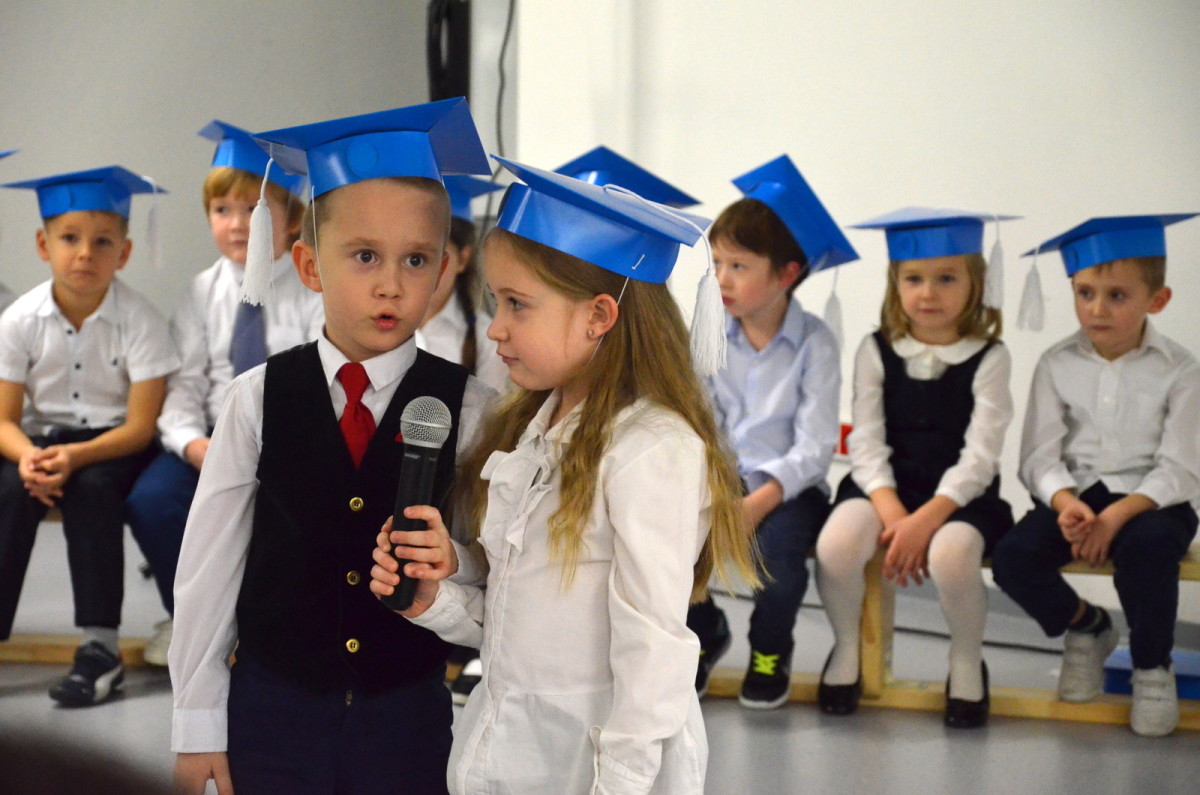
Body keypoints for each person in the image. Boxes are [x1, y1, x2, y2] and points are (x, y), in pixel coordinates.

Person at [370, 157, 760, 793]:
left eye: (517, 305)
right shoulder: (531, 426)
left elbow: (652, 655)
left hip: (593, 764)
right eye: (495, 302)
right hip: (511, 751)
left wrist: (622, 783)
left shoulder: (652, 449)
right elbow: (523, 629)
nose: (496, 328)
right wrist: (438, 595)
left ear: (599, 317)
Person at [169, 99, 494, 794]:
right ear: (310, 265)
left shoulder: (471, 408)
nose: (391, 283)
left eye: (416, 259)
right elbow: (209, 568)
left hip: (405, 719)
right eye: (365, 256)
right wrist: (197, 723)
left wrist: (452, 563)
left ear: (444, 271)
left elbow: (487, 565)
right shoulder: (256, 398)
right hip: (272, 714)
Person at [991, 214, 1200, 737]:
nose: (1097, 309)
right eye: (1085, 293)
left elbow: (1181, 466)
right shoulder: (1056, 363)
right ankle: (1087, 627)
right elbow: (1038, 455)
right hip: (1078, 496)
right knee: (1013, 557)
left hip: (1152, 503)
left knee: (1146, 550)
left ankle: (1151, 668)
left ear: (1158, 300)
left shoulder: (1181, 369)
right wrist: (1066, 503)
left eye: (1116, 296)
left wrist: (1117, 516)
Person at [124, 120, 320, 666]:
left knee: (293, 509)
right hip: (210, 437)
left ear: (293, 218)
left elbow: (319, 381)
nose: (237, 224)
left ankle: (264, 622)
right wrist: (193, 444)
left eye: (254, 210)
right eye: (221, 210)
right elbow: (185, 384)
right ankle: (191, 619)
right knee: (153, 501)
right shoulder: (202, 291)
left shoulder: (314, 287)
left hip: (285, 438)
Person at [815, 208, 1016, 727]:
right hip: (883, 487)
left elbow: (981, 456)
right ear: (895, 283)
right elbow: (866, 440)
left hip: (960, 498)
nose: (928, 293)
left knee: (952, 555)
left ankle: (966, 660)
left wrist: (925, 520)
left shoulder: (990, 357)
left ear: (975, 283)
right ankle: (847, 647)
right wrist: (891, 510)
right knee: (836, 547)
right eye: (914, 279)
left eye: (947, 278)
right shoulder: (876, 349)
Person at [0, 166, 178, 706]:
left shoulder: (141, 321)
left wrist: (75, 458)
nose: (85, 254)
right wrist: (29, 458)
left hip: (114, 444)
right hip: (41, 439)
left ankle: (100, 650)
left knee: (94, 490)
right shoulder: (19, 320)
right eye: (69, 239)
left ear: (124, 253)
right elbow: (4, 420)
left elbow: (140, 427)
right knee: (9, 488)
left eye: (103, 242)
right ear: (44, 245)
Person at [689, 155, 853, 708]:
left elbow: (815, 447)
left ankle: (769, 650)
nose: (721, 279)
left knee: (780, 567)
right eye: (716, 262)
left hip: (789, 489)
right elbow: (702, 424)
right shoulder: (711, 334)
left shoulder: (815, 343)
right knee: (672, 536)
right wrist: (716, 488)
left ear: (786, 274)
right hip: (722, 478)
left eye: (738, 266)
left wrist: (759, 501)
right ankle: (703, 633)